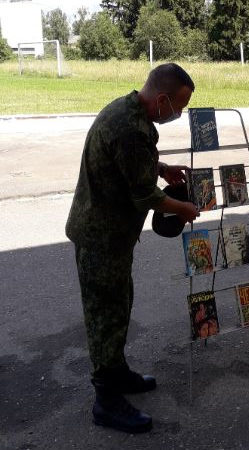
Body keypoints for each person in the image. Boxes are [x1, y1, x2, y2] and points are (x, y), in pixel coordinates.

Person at [65, 63, 199, 434]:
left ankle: (117, 372)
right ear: (161, 99)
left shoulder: (126, 109)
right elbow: (143, 195)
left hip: (109, 233)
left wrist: (161, 166)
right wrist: (183, 208)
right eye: (179, 106)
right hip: (101, 236)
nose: (179, 114)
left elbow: (128, 163)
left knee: (120, 302)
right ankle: (106, 401)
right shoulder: (132, 128)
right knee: (105, 313)